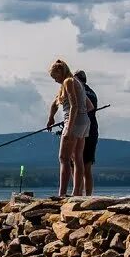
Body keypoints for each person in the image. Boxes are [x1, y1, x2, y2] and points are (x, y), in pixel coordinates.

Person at [46, 59, 93, 197]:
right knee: (77, 157)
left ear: (61, 71)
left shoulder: (68, 82)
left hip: (73, 123)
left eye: (55, 76)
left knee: (63, 158)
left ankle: (61, 194)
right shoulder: (75, 82)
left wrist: (68, 128)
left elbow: (74, 106)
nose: (55, 80)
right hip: (84, 122)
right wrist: (51, 117)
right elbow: (89, 106)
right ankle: (76, 192)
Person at [74, 70, 99, 196]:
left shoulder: (78, 90)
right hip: (93, 129)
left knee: (75, 162)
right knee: (87, 166)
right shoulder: (93, 93)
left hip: (80, 128)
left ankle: (77, 193)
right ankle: (88, 196)